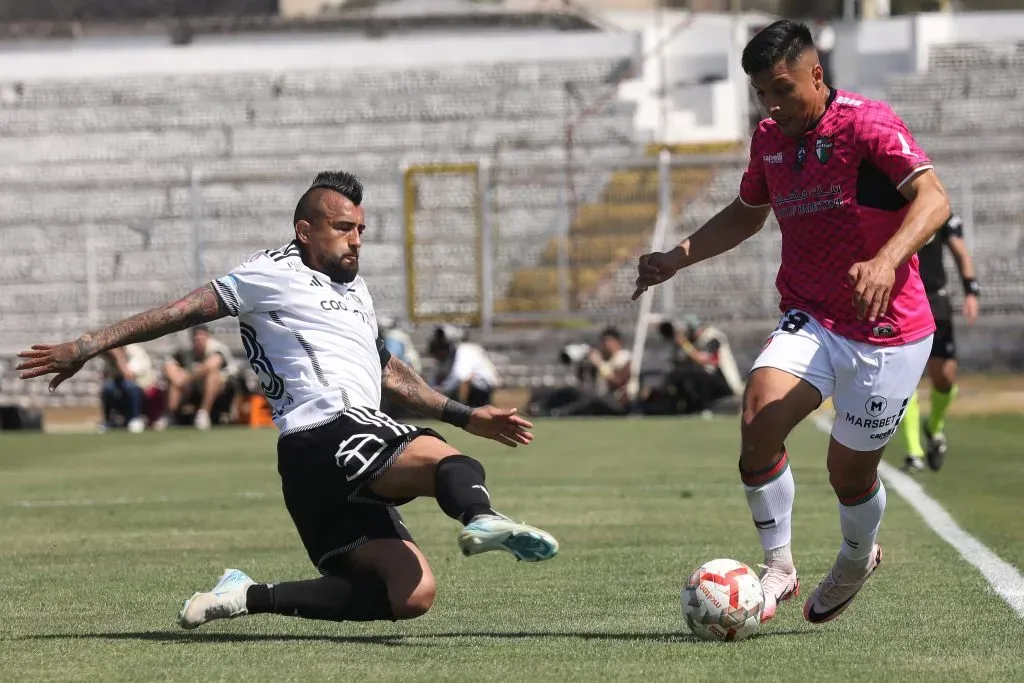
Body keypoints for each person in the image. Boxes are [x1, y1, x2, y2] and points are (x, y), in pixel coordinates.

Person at [16, 170, 558, 630]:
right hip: (331, 429)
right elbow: (181, 311)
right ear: (305, 230)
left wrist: (466, 414)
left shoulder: (357, 291)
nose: (356, 240)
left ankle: (246, 595)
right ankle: (481, 517)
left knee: (409, 593)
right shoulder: (269, 272)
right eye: (343, 228)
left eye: (361, 229)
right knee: (449, 462)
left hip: (315, 465)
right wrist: (88, 345)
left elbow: (386, 369)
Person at [632, 20, 949, 625]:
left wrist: (886, 260)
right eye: (762, 94)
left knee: (848, 474)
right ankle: (779, 565)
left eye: (783, 89)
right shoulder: (769, 139)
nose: (773, 105)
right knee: (758, 416)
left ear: (816, 75)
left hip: (887, 328)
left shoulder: (867, 124)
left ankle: (856, 559)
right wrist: (677, 257)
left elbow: (934, 198)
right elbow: (747, 213)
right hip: (812, 314)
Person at [898, 212, 979, 473]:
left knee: (944, 376)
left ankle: (934, 428)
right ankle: (914, 452)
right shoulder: (892, 207)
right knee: (905, 377)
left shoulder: (939, 211)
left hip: (935, 301)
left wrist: (971, 290)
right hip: (902, 300)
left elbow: (960, 251)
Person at [156, 324, 236, 430]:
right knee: (173, 379)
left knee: (212, 375)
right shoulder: (186, 350)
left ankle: (203, 413)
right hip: (192, 388)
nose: (199, 341)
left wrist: (186, 377)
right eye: (197, 337)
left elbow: (211, 365)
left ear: (208, 337)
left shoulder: (218, 348)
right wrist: (176, 377)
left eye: (202, 337)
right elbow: (167, 364)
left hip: (224, 389)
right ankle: (169, 414)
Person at [428, 325, 500, 408]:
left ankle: (463, 408)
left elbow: (460, 376)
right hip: (470, 385)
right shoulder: (449, 356)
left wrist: (442, 390)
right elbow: (437, 376)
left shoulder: (464, 351)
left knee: (465, 380)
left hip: (482, 387)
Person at [98, 343, 156, 433]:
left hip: (142, 386)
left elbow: (128, 375)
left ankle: (135, 418)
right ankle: (108, 421)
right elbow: (107, 376)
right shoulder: (110, 357)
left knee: (128, 385)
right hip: (121, 386)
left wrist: (119, 358)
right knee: (108, 388)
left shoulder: (135, 352)